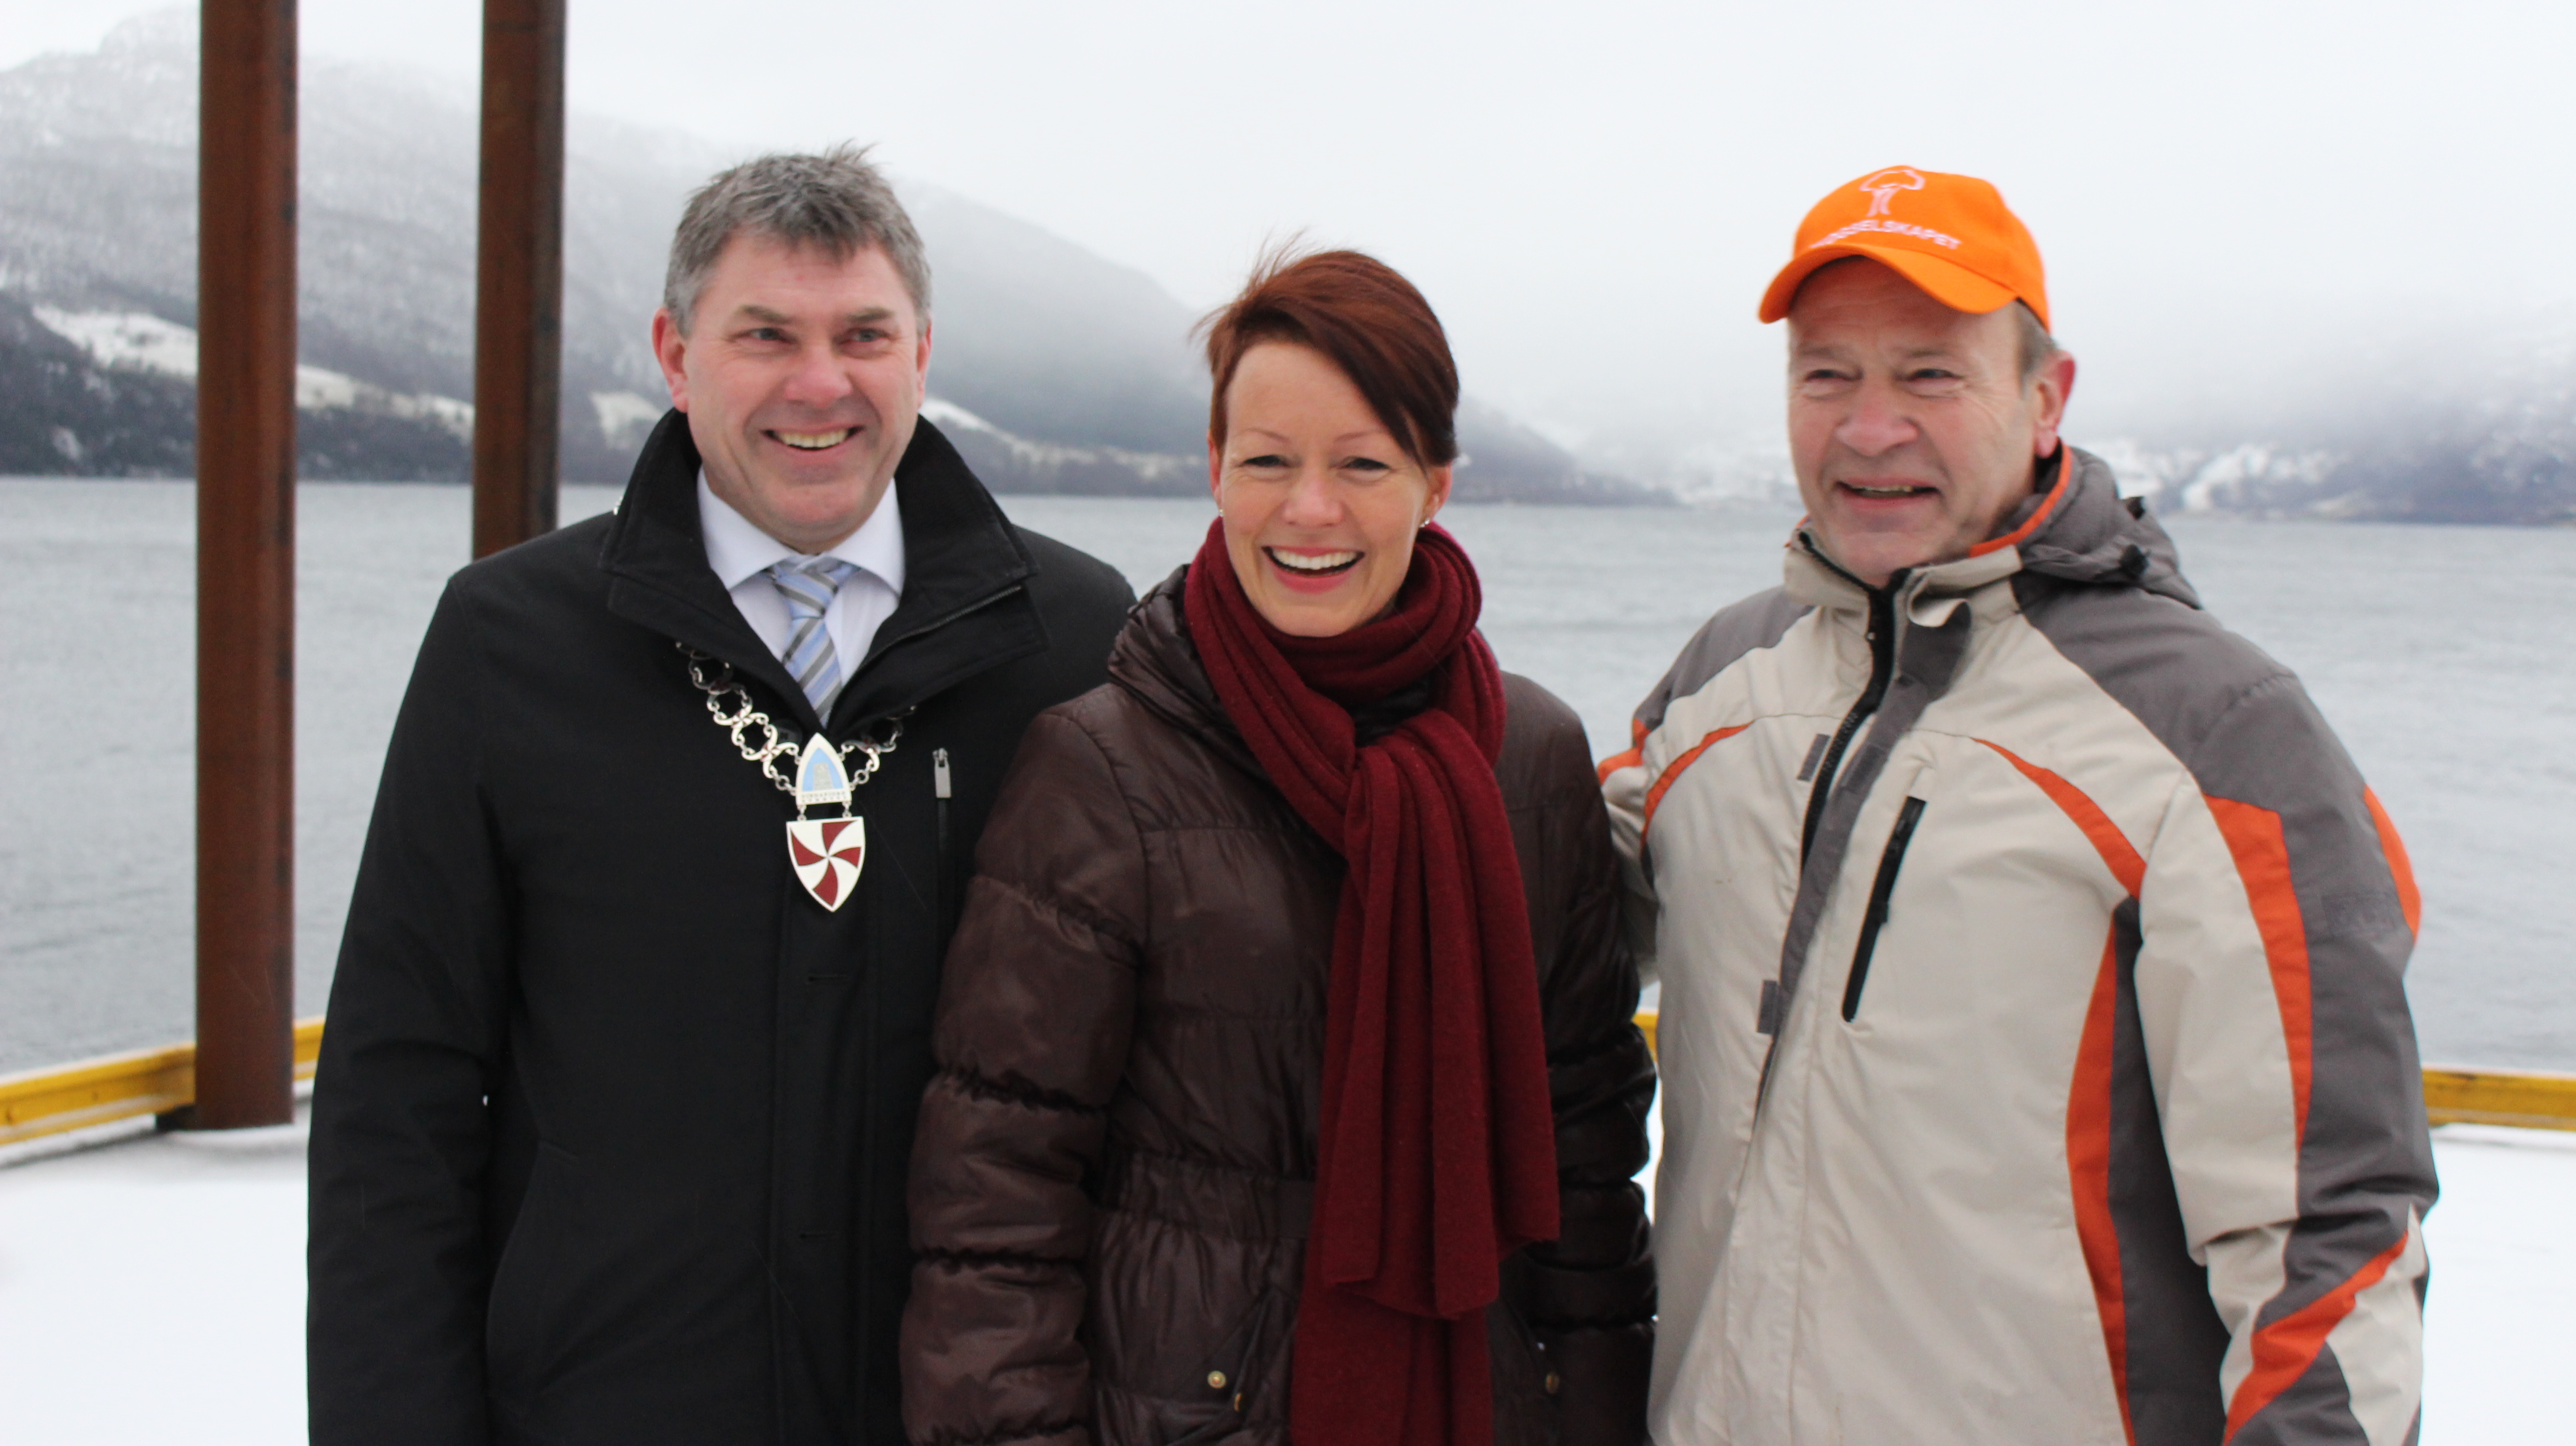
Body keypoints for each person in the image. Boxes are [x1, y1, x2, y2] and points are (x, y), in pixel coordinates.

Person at [309, 146, 1134, 1444]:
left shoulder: (1074, 639)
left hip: (968, 1417)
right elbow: (398, 1094)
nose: (822, 383)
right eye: (765, 335)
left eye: (864, 333)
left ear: (923, 350)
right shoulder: (508, 643)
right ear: (675, 352)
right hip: (608, 1406)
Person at [1603, 168, 2436, 1445]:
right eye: (1827, 375)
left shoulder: (2214, 734)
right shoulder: (1725, 680)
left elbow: (2325, 1231)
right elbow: (1546, 912)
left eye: (1932, 374)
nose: (1870, 428)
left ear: (2046, 399)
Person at [898, 250, 1656, 1446]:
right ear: (1214, 470)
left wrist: (1600, 1414)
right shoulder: (1103, 769)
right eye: (1268, 462)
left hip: (1477, 1400)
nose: (1310, 511)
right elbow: (997, 1189)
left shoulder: (1533, 758)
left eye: (1363, 464)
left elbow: (1590, 1151)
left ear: (1437, 482)